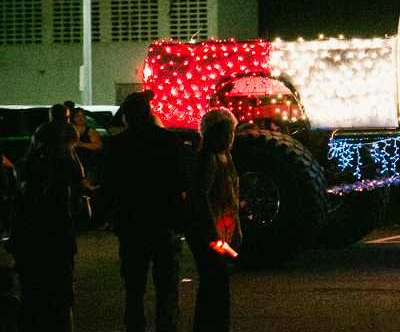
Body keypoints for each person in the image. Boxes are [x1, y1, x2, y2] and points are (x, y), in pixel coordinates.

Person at [101, 91, 189, 332]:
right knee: (167, 289)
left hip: (132, 225)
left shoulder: (119, 145)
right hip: (165, 222)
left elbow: (108, 187)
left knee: (134, 289)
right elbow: (182, 182)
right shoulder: (168, 141)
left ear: (127, 117)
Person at [5, 104, 84, 332]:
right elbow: (77, 177)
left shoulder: (30, 167)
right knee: (61, 299)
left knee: (31, 297)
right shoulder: (65, 164)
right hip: (56, 238)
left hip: (30, 238)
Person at [186, 109, 242, 332]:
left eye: (231, 131)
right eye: (224, 131)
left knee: (216, 282)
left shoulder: (225, 158)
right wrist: (214, 235)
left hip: (221, 231)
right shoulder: (209, 158)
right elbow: (201, 197)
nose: (229, 136)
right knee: (215, 281)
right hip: (211, 233)